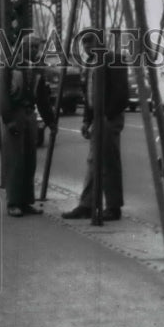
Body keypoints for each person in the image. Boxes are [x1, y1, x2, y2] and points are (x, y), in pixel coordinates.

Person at [62, 32, 129, 221]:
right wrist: (87, 120)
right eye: (85, 46)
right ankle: (87, 204)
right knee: (94, 161)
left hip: (108, 117)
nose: (87, 49)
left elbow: (121, 92)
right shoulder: (90, 63)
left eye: (90, 44)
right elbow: (89, 94)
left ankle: (113, 207)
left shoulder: (114, 59)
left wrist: (108, 115)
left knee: (108, 161)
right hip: (97, 117)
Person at [0, 34, 57, 217]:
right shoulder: (10, 65)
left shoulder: (38, 68)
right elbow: (3, 96)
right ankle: (13, 202)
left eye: (36, 47)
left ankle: (26, 201)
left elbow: (42, 98)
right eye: (30, 47)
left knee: (29, 160)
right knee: (15, 160)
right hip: (15, 114)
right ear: (22, 47)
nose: (33, 50)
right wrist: (8, 120)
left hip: (30, 115)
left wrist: (50, 121)